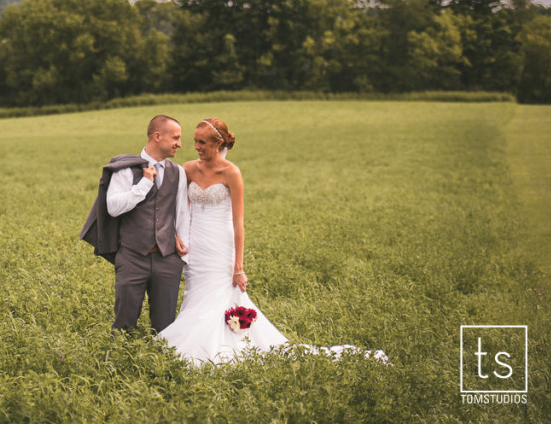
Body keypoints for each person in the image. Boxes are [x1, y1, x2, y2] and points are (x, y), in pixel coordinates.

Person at [159, 117, 388, 366]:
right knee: (196, 295)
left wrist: (238, 268)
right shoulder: (189, 169)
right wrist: (176, 234)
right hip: (197, 245)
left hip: (221, 246)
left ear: (218, 144)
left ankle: (208, 351)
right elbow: (179, 209)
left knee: (219, 296)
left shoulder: (231, 173)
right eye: (195, 141)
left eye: (202, 142)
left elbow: (238, 223)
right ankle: (195, 345)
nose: (196, 147)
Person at [80, 115, 189, 333]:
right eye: (175, 137)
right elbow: (113, 207)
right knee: (124, 324)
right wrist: (144, 184)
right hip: (132, 258)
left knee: (166, 327)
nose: (179, 143)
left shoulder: (179, 173)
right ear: (158, 137)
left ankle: (162, 365)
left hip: (167, 260)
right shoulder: (125, 169)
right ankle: (121, 362)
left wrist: (182, 259)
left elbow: (182, 215)